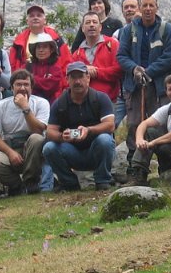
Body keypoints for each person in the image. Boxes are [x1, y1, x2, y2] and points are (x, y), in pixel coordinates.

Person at [117, 0, 171, 170]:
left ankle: (167, 167)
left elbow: (169, 57)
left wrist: (148, 71)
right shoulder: (129, 30)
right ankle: (134, 168)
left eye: (152, 5)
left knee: (159, 125)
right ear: (140, 9)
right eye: (145, 5)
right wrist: (134, 68)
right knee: (135, 125)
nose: (148, 9)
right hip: (135, 87)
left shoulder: (167, 29)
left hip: (159, 87)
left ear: (157, 8)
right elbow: (121, 55)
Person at [43, 61, 116, 191]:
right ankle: (69, 183)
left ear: (88, 78)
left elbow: (110, 125)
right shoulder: (59, 103)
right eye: (73, 77)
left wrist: (89, 130)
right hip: (71, 151)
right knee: (49, 147)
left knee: (105, 139)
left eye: (81, 76)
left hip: (96, 149)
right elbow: (50, 132)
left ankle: (102, 180)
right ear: (67, 80)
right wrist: (62, 136)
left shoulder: (101, 98)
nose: (77, 81)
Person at [0, 69, 50, 195]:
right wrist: (10, 153)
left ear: (32, 87)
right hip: (10, 148)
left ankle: (31, 182)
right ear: (12, 87)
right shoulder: (0, 106)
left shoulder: (41, 103)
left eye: (26, 84)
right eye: (18, 84)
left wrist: (25, 108)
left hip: (33, 151)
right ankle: (17, 186)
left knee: (37, 138)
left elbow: (38, 130)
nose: (22, 88)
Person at [128, 73, 171, 185]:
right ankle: (139, 173)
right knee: (148, 132)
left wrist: (153, 142)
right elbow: (144, 124)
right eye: (170, 89)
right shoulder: (168, 108)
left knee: (156, 139)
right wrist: (139, 139)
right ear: (166, 92)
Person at [69, 11, 121, 103]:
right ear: (82, 28)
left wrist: (96, 72)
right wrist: (85, 70)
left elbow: (119, 70)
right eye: (88, 23)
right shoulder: (77, 54)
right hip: (84, 102)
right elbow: (71, 77)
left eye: (95, 22)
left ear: (100, 27)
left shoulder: (112, 44)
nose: (92, 25)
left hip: (109, 101)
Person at [8, 4, 70, 72]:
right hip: (27, 78)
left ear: (45, 20)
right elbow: (12, 64)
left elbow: (67, 61)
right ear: (27, 21)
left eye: (39, 15)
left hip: (52, 78)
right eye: (32, 16)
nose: (35, 18)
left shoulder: (56, 39)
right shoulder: (19, 41)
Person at [113, 0, 140, 127]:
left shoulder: (151, 30)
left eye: (132, 6)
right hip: (123, 89)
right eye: (126, 7)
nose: (129, 9)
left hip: (145, 87)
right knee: (115, 125)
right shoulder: (117, 34)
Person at [25, 32, 66, 104]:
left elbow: (50, 86)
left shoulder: (56, 67)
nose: (41, 50)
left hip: (51, 104)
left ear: (51, 50)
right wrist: (42, 80)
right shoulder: (28, 65)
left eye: (45, 47)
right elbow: (23, 82)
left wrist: (31, 80)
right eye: (38, 47)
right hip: (30, 103)